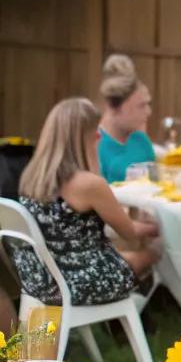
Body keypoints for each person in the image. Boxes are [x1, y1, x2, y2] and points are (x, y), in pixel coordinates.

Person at [11, 97, 161, 306]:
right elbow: (128, 231)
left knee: (119, 253)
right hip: (74, 282)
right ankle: (136, 310)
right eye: (96, 132)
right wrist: (155, 229)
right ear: (90, 136)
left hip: (38, 279)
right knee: (150, 254)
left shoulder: (31, 177)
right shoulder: (89, 184)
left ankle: (128, 311)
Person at [97, 54, 156, 183]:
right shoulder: (95, 149)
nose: (148, 112)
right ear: (114, 107)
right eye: (141, 106)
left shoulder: (141, 140)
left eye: (148, 104)